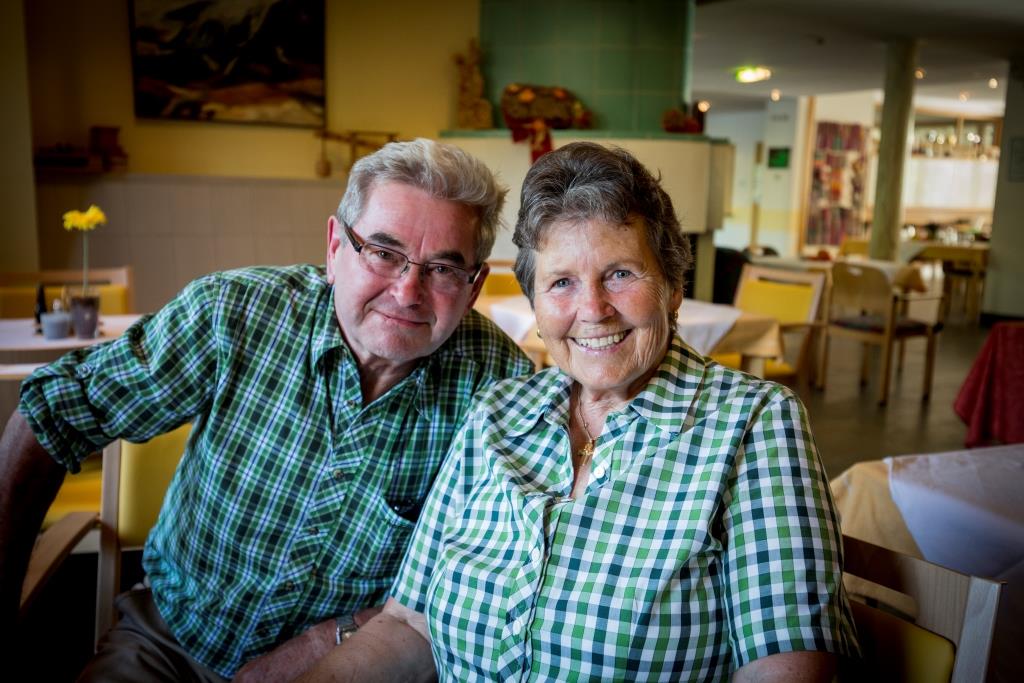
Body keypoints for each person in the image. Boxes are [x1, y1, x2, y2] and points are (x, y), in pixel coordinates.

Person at [298, 142, 859, 682]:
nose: (592, 310)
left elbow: (785, 661)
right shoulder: (495, 414)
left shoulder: (754, 423)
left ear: (672, 286)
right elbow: (408, 623)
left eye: (620, 274)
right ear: (536, 305)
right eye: (561, 282)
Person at [0, 138, 534, 680]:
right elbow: (51, 414)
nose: (407, 291)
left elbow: (482, 582)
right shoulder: (233, 313)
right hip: (170, 641)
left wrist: (324, 642)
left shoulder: (502, 387)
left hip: (355, 663)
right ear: (335, 248)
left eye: (442, 269)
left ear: (473, 288)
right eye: (382, 252)